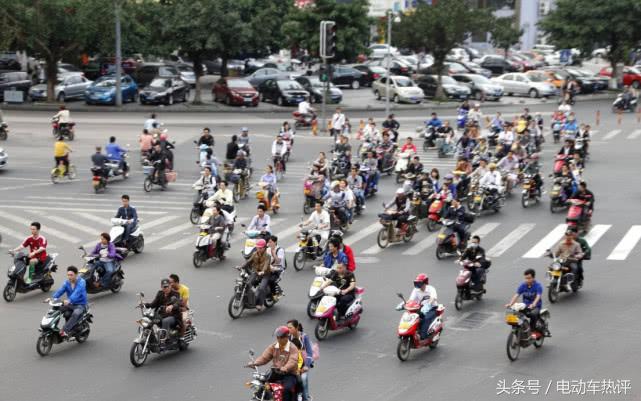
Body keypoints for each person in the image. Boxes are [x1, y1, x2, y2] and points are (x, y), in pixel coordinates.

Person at [247, 326, 300, 401]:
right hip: (276, 372)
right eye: (277, 337)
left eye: (280, 337)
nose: (278, 339)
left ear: (286, 337)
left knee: (287, 389)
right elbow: (264, 358)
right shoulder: (273, 346)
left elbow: (293, 360)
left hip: (289, 374)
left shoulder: (293, 348)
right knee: (262, 385)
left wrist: (285, 368)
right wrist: (254, 363)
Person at [505, 269, 547, 338]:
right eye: (526, 278)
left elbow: (538, 296)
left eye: (529, 278)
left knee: (533, 315)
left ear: (533, 278)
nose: (527, 280)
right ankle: (521, 329)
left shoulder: (538, 286)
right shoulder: (523, 285)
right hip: (525, 306)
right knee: (515, 313)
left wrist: (533, 304)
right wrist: (510, 304)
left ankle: (533, 331)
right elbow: (517, 295)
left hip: (536, 306)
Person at [49, 266, 87, 337]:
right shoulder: (67, 282)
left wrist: (69, 300)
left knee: (76, 313)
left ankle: (64, 330)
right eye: (68, 275)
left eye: (71, 275)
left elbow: (77, 292)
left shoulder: (82, 282)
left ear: (76, 274)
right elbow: (60, 291)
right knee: (56, 309)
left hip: (80, 305)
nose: (69, 277)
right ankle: (50, 326)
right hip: (70, 304)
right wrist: (52, 298)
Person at [240, 239, 272, 310]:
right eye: (257, 247)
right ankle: (248, 299)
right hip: (256, 272)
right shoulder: (254, 254)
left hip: (265, 274)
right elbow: (248, 261)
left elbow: (266, 265)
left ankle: (259, 303)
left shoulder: (268, 256)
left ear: (264, 248)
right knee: (248, 283)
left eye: (260, 248)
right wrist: (241, 266)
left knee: (261, 288)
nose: (258, 249)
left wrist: (263, 271)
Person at [404, 273, 438, 339]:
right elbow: (411, 299)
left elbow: (433, 298)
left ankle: (423, 336)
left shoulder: (431, 289)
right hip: (420, 307)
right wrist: (404, 304)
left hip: (432, 308)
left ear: (425, 283)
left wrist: (428, 305)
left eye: (419, 283)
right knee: (411, 317)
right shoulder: (416, 290)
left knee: (426, 319)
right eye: (416, 283)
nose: (417, 284)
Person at [287, 320, 314, 401]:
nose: (288, 330)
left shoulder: (304, 337)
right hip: (291, 365)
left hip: (302, 366)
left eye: (290, 328)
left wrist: (306, 366)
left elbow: (309, 353)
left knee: (303, 379)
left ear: (296, 328)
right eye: (287, 328)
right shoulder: (288, 337)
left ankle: (306, 398)